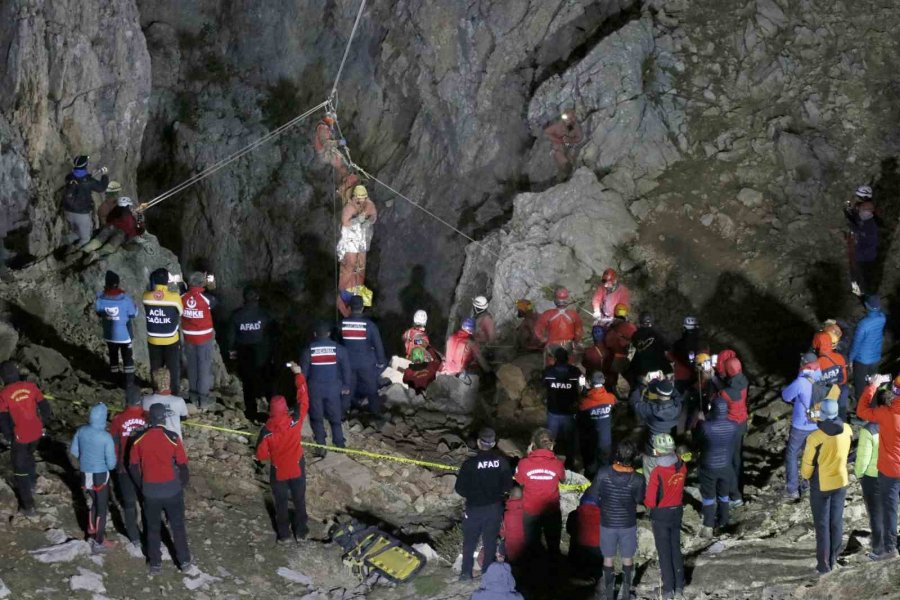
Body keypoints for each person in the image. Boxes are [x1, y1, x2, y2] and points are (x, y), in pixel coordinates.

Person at [129, 403, 197, 576]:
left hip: (150, 491)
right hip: (172, 490)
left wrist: (141, 485)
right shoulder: (173, 438)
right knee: (178, 526)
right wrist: (181, 484)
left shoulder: (138, 439)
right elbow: (183, 465)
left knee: (152, 527)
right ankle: (184, 561)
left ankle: (155, 563)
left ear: (150, 418)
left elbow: (133, 466)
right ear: (164, 418)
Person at [255, 364, 310, 543]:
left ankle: (284, 535)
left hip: (278, 471)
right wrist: (299, 375)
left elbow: (261, 455)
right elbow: (303, 400)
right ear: (286, 407)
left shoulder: (266, 431)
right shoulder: (294, 421)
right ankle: (301, 532)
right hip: (297, 466)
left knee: (281, 504)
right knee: (299, 500)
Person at [801, 396, 851, 574]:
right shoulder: (847, 429)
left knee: (823, 525)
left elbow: (808, 464)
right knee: (836, 522)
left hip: (822, 484)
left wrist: (805, 477)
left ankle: (824, 566)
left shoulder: (815, 437)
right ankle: (834, 558)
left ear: (821, 414)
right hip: (841, 480)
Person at [454, 428, 513, 581]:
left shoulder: (469, 464)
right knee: (490, 541)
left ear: (479, 442)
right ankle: (487, 573)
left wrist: (473, 495)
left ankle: (466, 573)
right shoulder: (502, 462)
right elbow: (508, 486)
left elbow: (459, 488)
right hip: (494, 508)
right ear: (493, 443)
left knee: (469, 541)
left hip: (474, 508)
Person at [589, 440, 645, 600]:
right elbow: (639, 499)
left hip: (607, 522)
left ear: (616, 454)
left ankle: (608, 594)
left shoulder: (603, 473)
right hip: (628, 523)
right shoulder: (638, 479)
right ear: (634, 457)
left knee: (608, 558)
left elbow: (593, 495)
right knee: (627, 558)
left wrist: (605, 502)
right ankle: (625, 593)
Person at [856, 374, 900, 560]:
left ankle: (890, 549)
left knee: (890, 509)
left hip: (890, 470)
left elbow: (862, 411)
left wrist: (873, 385)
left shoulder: (885, 413)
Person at [0, 361, 51, 515]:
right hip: (36, 432)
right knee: (30, 456)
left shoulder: (3, 394)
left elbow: (2, 419)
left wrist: (9, 436)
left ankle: (28, 506)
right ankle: (32, 483)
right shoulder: (31, 386)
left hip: (20, 436)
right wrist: (42, 423)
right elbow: (45, 406)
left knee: (19, 469)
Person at [69, 403, 117, 553]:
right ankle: (99, 541)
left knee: (94, 501)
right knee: (102, 506)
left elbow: (74, 451)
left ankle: (91, 528)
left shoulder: (81, 431)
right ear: (103, 418)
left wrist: (86, 459)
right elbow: (111, 462)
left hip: (85, 472)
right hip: (100, 474)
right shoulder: (105, 436)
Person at [299, 321, 352, 455]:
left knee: (316, 417)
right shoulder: (339, 349)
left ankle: (321, 445)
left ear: (315, 334)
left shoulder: (308, 351)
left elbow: (303, 375)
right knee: (335, 416)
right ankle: (339, 444)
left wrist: (301, 390)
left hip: (315, 389)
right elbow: (346, 370)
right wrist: (346, 385)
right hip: (333, 388)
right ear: (329, 334)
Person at [645, 433, 687, 600]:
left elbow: (650, 500)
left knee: (664, 552)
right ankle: (679, 587)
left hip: (661, 514)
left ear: (658, 451)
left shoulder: (658, 471)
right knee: (675, 548)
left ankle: (668, 589)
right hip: (677, 511)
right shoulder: (682, 466)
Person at [514, 428, 566, 557]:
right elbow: (563, 480)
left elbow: (520, 482)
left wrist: (528, 455)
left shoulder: (524, 463)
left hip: (530, 511)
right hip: (551, 511)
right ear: (552, 445)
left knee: (531, 546)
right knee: (553, 547)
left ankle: (533, 570)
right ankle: (554, 569)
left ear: (533, 445)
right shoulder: (558, 464)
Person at [228, 286, 275, 420]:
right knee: (265, 380)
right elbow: (271, 335)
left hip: (244, 353)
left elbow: (230, 337)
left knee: (248, 383)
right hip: (262, 353)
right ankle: (272, 411)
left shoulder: (236, 315)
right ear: (258, 297)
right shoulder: (264, 315)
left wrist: (231, 353)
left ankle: (251, 412)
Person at [781, 353, 823, 500]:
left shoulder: (801, 381)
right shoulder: (820, 376)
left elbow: (786, 396)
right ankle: (808, 484)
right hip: (817, 423)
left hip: (801, 424)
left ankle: (792, 489)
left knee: (792, 454)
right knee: (811, 454)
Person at [109, 386, 147, 547]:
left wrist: (116, 464)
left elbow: (114, 444)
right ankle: (151, 534)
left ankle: (134, 536)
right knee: (147, 501)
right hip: (143, 467)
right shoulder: (147, 417)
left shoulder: (118, 419)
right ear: (140, 401)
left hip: (124, 467)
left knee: (129, 504)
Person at [694, 399, 738, 537]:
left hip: (708, 466)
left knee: (708, 497)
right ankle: (724, 522)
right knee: (724, 496)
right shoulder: (734, 425)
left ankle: (708, 526)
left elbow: (696, 440)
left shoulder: (705, 427)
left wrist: (700, 421)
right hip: (726, 466)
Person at [340, 295, 387, 420]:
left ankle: (343, 414)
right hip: (366, 363)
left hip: (348, 364)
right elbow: (378, 346)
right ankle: (376, 413)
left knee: (348, 388)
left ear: (350, 308)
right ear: (362, 308)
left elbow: (338, 344)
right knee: (372, 388)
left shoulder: (342, 324)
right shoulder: (369, 326)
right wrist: (381, 362)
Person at [631, 378, 682, 483]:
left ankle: (651, 496)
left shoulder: (650, 409)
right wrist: (667, 385)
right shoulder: (677, 408)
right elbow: (677, 396)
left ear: (657, 393)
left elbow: (634, 402)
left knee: (650, 481)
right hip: (669, 450)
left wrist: (641, 385)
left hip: (652, 452)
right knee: (667, 479)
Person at [143, 268, 183, 396]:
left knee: (155, 369)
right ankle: (174, 394)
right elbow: (180, 312)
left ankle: (156, 392)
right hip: (171, 339)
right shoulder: (174, 297)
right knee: (173, 369)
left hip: (153, 339)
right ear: (167, 282)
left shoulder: (146, 296)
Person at [95, 270, 138, 389]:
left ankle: (114, 381)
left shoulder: (100, 298)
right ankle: (129, 383)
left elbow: (99, 312)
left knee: (113, 357)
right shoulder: (125, 299)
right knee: (127, 358)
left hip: (109, 335)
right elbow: (133, 314)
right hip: (124, 336)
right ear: (117, 283)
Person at [181, 272, 217, 409]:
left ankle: (193, 396)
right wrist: (210, 286)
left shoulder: (182, 297)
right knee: (204, 367)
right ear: (202, 284)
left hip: (189, 337)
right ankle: (203, 399)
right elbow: (215, 300)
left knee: (192, 366)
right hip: (204, 338)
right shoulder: (206, 299)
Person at [717, 357, 749, 506]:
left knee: (727, 461)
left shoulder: (726, 393)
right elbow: (730, 386)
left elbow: (718, 402)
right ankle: (740, 488)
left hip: (730, 428)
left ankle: (734, 495)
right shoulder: (744, 382)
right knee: (737, 458)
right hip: (742, 424)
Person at [543, 347, 582, 470]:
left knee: (549, 440)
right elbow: (582, 388)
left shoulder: (548, 372)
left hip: (553, 412)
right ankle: (570, 464)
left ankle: (548, 463)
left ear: (555, 359)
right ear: (567, 359)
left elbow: (542, 387)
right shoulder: (575, 372)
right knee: (570, 440)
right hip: (569, 413)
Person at [337, 185, 377, 292]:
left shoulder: (369, 204)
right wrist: (357, 220)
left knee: (361, 266)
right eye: (359, 198)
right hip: (351, 241)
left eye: (364, 198)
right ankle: (342, 290)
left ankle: (357, 289)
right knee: (349, 266)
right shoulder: (349, 208)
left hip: (363, 241)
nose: (362, 200)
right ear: (355, 197)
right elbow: (345, 223)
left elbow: (374, 216)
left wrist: (369, 221)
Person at [855, 407, 883, 559]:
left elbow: (863, 458)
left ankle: (880, 550)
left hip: (874, 477)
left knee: (876, 514)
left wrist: (859, 474)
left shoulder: (869, 429)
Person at [62, 155, 108, 246]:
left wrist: (89, 176)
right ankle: (72, 255)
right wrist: (105, 175)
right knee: (85, 238)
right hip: (81, 214)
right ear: (85, 165)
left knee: (77, 232)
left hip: (68, 211)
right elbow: (102, 187)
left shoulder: (69, 176)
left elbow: (79, 179)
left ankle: (63, 242)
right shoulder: (89, 181)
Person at [578, 371, 617, 478]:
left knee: (590, 467)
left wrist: (582, 391)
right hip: (606, 441)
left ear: (590, 382)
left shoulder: (584, 403)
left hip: (591, 441)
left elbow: (580, 420)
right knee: (605, 466)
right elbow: (615, 410)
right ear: (604, 381)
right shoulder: (611, 398)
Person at [848, 295, 886, 403]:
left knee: (860, 387)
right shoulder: (882, 318)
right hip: (875, 358)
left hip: (862, 360)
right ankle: (873, 408)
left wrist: (850, 359)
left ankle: (862, 415)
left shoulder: (863, 324)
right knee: (873, 384)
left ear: (866, 306)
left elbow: (856, 345)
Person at [534, 287, 583, 365]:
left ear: (555, 300)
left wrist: (543, 339)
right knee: (570, 365)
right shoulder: (573, 315)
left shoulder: (547, 314)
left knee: (550, 366)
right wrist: (576, 342)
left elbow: (537, 329)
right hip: (568, 345)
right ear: (567, 299)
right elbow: (578, 332)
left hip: (552, 345)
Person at [844, 185, 878, 296]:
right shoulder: (867, 209)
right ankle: (864, 292)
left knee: (858, 273)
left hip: (862, 253)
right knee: (864, 273)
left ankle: (861, 294)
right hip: (867, 252)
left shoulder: (865, 212)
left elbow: (857, 226)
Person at [626, 312, 672, 387]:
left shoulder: (636, 335)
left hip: (641, 367)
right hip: (658, 365)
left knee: (634, 381)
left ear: (640, 321)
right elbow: (667, 346)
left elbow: (633, 346)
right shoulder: (657, 334)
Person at [813, 329, 850, 422]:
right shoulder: (839, 357)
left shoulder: (815, 363)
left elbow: (813, 383)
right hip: (840, 391)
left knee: (815, 409)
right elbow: (844, 379)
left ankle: (816, 423)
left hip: (825, 397)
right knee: (842, 408)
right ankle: (842, 425)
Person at [142, 369, 188, 439]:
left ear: (154, 382)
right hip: (174, 441)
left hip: (152, 440)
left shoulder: (145, 400)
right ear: (169, 381)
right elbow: (184, 418)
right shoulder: (179, 401)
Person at [566, 491, 602, 573]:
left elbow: (569, 530)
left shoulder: (574, 514)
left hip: (578, 550)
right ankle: (596, 578)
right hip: (597, 552)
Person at [669, 316, 707, 393]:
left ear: (684, 328)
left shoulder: (677, 344)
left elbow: (671, 358)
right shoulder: (703, 344)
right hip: (698, 378)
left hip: (680, 377)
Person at [603, 304, 636, 391]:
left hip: (609, 357)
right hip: (620, 357)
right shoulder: (628, 326)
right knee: (633, 380)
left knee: (610, 382)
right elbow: (637, 337)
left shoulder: (609, 325)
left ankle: (611, 398)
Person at [544, 110, 584, 177]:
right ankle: (565, 168)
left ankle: (569, 169)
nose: (570, 120)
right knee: (558, 151)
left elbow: (579, 138)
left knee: (570, 154)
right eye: (568, 118)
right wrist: (558, 140)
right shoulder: (558, 126)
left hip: (569, 146)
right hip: (558, 146)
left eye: (572, 118)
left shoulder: (575, 127)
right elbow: (546, 133)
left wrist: (570, 140)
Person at [313, 112, 348, 178]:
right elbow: (326, 143)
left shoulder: (322, 127)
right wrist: (339, 142)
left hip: (323, 151)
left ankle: (345, 176)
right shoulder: (323, 128)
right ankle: (346, 178)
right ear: (329, 119)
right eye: (333, 121)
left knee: (341, 159)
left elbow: (326, 139)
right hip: (324, 152)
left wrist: (331, 130)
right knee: (340, 161)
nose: (333, 123)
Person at [500, 486, 526, 564]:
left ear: (510, 496)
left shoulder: (505, 514)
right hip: (526, 550)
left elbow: (502, 534)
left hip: (511, 552)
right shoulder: (528, 513)